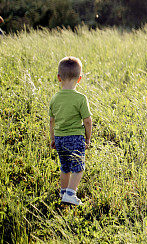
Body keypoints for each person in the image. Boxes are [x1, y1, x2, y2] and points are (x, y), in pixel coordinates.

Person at [48, 56, 92, 206]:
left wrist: (53, 138)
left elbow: (52, 121)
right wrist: (88, 138)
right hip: (75, 138)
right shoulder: (80, 98)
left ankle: (63, 192)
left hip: (60, 138)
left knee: (65, 167)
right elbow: (87, 121)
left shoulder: (54, 98)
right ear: (79, 79)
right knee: (78, 168)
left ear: (59, 78)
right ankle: (71, 194)